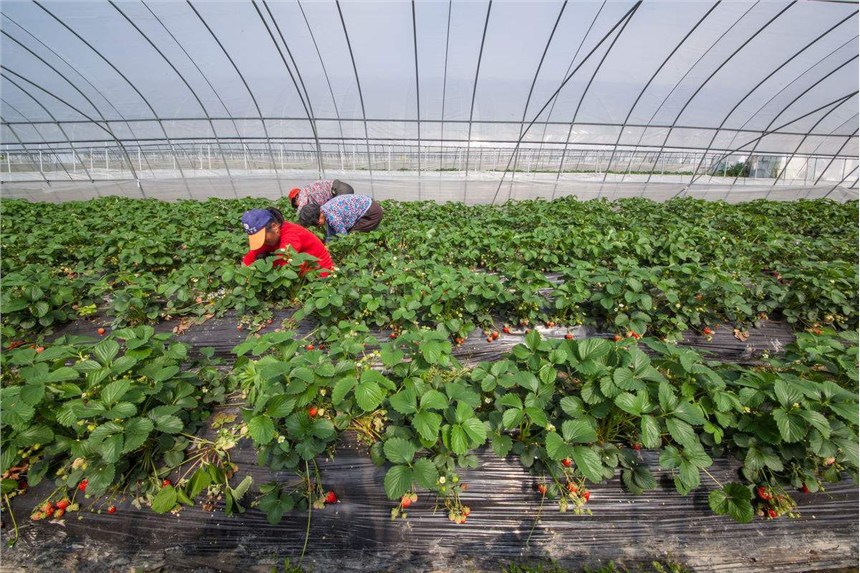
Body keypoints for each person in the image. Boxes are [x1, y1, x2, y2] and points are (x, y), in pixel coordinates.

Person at [241, 207, 333, 277]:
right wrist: (243, 274)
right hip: (302, 273)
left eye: (262, 238)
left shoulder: (291, 235)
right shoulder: (270, 237)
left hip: (320, 273)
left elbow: (284, 264)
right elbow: (250, 256)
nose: (263, 243)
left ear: (274, 227)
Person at [297, 193, 383, 242]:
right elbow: (330, 234)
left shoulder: (332, 217)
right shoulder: (325, 210)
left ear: (319, 216)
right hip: (367, 207)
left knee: (353, 238)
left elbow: (344, 237)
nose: (317, 226)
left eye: (315, 224)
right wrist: (327, 245)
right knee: (352, 234)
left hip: (371, 212)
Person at [288, 179, 354, 211]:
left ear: (296, 197)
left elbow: (302, 209)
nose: (297, 206)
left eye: (295, 204)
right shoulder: (311, 197)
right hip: (341, 190)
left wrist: (296, 224)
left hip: (340, 190)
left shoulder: (303, 192)